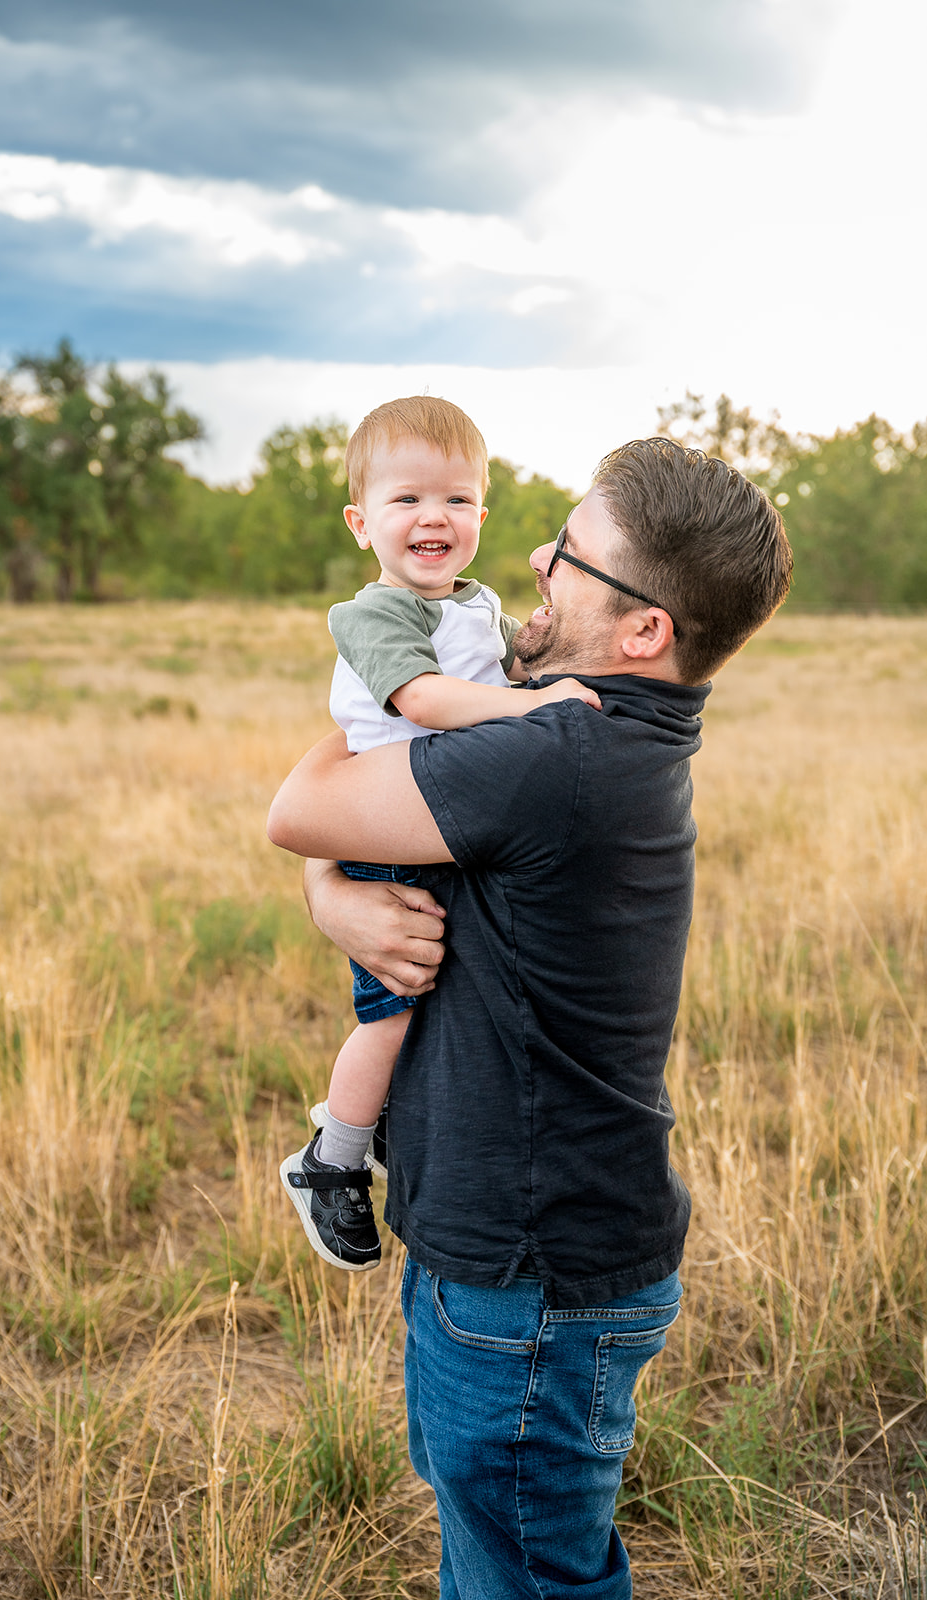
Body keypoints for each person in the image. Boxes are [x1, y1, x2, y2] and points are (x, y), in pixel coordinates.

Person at [268, 436, 793, 1599]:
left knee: (528, 1578)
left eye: (571, 554)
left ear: (644, 629)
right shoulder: (611, 728)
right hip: (532, 1252)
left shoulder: (553, 745)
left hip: (530, 1276)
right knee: (501, 1555)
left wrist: (327, 879)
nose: (537, 563)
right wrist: (339, 895)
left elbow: (301, 806)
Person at [279, 396, 598, 1271]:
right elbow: (422, 699)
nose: (434, 517)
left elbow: (508, 666)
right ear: (361, 524)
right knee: (396, 1010)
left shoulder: (476, 604)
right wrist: (537, 705)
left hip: (444, 820)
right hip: (385, 829)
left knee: (448, 999)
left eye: (456, 499)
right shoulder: (371, 614)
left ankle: (392, 1121)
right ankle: (332, 1156)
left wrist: (537, 653)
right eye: (407, 499)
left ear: (480, 517)